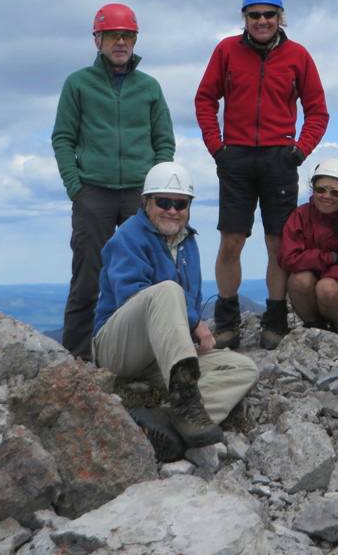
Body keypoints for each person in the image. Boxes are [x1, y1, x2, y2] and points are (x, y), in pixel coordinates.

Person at [195, 0, 330, 350]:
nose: (262, 20)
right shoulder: (226, 50)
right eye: (254, 15)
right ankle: (227, 321)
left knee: (278, 242)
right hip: (235, 157)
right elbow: (205, 99)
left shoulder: (298, 55)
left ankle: (275, 318)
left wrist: (299, 151)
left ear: (280, 17)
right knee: (231, 240)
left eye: (269, 14)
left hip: (279, 158)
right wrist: (217, 147)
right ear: (245, 18)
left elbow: (317, 111)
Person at [92, 162, 257, 461]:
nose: (172, 210)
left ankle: (169, 421)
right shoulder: (127, 238)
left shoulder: (188, 242)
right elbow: (131, 296)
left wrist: (187, 334)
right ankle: (185, 402)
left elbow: (192, 298)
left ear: (189, 208)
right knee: (168, 289)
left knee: (243, 368)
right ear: (146, 202)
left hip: (162, 353)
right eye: (163, 202)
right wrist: (193, 323)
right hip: (119, 347)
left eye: (180, 204)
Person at [51, 3, 175, 362]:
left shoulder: (149, 87)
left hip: (141, 194)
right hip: (93, 192)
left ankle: (152, 354)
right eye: (112, 35)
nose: (120, 42)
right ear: (98, 40)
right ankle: (76, 359)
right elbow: (63, 138)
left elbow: (164, 141)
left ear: (135, 40)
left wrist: (156, 189)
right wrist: (76, 188)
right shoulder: (78, 84)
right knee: (88, 277)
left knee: (152, 272)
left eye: (128, 35)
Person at [278, 158, 338, 337]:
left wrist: (321, 278)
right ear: (313, 189)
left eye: (335, 193)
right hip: (321, 286)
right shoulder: (301, 216)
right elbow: (287, 258)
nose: (327, 196)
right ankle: (317, 328)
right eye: (321, 190)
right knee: (299, 280)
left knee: (326, 288)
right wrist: (329, 258)